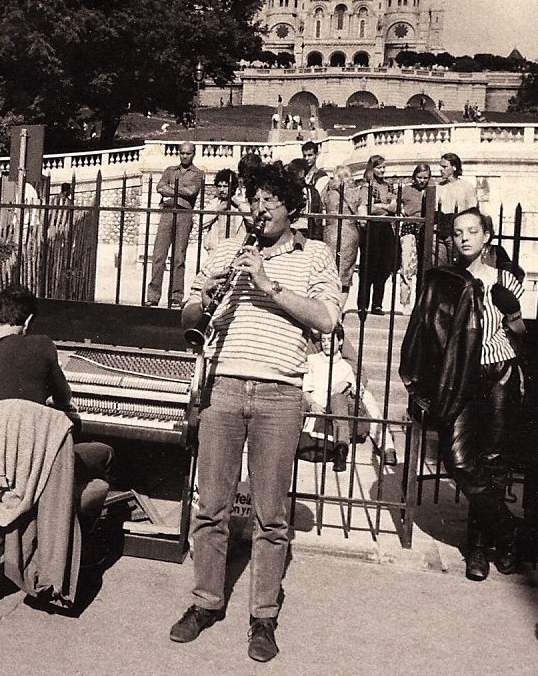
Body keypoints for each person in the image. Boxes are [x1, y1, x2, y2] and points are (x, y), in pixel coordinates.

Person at [170, 161, 340, 662]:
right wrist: (205, 296)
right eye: (254, 199)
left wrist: (268, 285)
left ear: (292, 209)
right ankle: (205, 601)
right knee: (211, 508)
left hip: (279, 393)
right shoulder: (227, 250)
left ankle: (262, 617)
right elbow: (188, 315)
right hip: (223, 388)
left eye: (270, 201)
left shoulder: (315, 254)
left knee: (271, 516)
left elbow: (327, 319)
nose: (259, 209)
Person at [400, 209, 525, 581]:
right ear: (451, 239)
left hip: (501, 372)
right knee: (459, 461)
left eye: (473, 231)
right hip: (461, 377)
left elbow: (520, 334)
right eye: (458, 232)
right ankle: (508, 531)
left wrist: (513, 312)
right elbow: (426, 329)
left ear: (487, 236)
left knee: (493, 462)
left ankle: (478, 549)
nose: (465, 238)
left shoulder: (507, 278)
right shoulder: (443, 281)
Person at [0, 285, 113, 511]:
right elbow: (64, 398)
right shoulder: (42, 346)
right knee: (104, 453)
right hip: (31, 467)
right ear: (29, 320)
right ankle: (60, 517)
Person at [302, 325, 397, 471]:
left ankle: (386, 446)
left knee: (365, 398)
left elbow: (358, 370)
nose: (326, 343)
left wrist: (350, 385)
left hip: (344, 392)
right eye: (324, 340)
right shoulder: (306, 341)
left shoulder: (335, 336)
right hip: (320, 397)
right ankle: (339, 446)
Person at [146, 143, 204, 307]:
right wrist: (180, 190)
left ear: (193, 154)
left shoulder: (198, 173)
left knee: (179, 257)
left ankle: (176, 296)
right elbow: (159, 187)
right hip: (167, 213)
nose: (184, 156)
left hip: (184, 215)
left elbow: (192, 191)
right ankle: (153, 296)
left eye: (188, 153)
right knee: (159, 255)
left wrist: (171, 188)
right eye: (182, 153)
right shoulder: (170, 170)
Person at [357, 154, 397, 315]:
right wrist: (385, 206)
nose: (382, 170)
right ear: (372, 168)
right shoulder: (367, 187)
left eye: (384, 167)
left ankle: (377, 304)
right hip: (372, 228)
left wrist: (382, 206)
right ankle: (363, 304)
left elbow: (395, 206)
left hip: (386, 227)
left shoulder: (388, 186)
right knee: (368, 267)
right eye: (379, 167)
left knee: (384, 267)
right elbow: (368, 208)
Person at [322, 165, 361, 309]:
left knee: (330, 271)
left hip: (331, 231)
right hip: (349, 232)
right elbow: (361, 212)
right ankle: (339, 311)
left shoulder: (328, 192)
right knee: (345, 275)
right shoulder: (355, 192)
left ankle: (329, 306)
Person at [398, 164, 431, 308]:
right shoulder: (406, 190)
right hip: (409, 229)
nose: (422, 181)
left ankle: (421, 302)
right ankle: (405, 302)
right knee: (407, 266)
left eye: (425, 178)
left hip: (426, 230)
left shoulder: (432, 190)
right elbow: (394, 205)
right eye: (419, 177)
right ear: (414, 177)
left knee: (425, 267)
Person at [435, 152, 478, 265]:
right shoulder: (438, 187)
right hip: (440, 231)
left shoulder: (466, 186)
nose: (441, 169)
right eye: (440, 166)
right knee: (440, 266)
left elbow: (472, 211)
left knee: (456, 266)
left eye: (444, 166)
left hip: (458, 231)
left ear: (454, 167)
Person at [201, 169, 242, 255]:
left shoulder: (240, 203)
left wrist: (239, 204)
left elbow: (251, 221)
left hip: (235, 247)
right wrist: (217, 210)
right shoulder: (214, 203)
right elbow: (201, 222)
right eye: (219, 186)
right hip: (216, 248)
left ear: (232, 187)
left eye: (225, 186)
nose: (222, 190)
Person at [287, 158, 323, 240]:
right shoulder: (287, 191)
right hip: (289, 230)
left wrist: (316, 236)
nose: (300, 177)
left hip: (306, 231)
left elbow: (317, 216)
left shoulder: (312, 191)